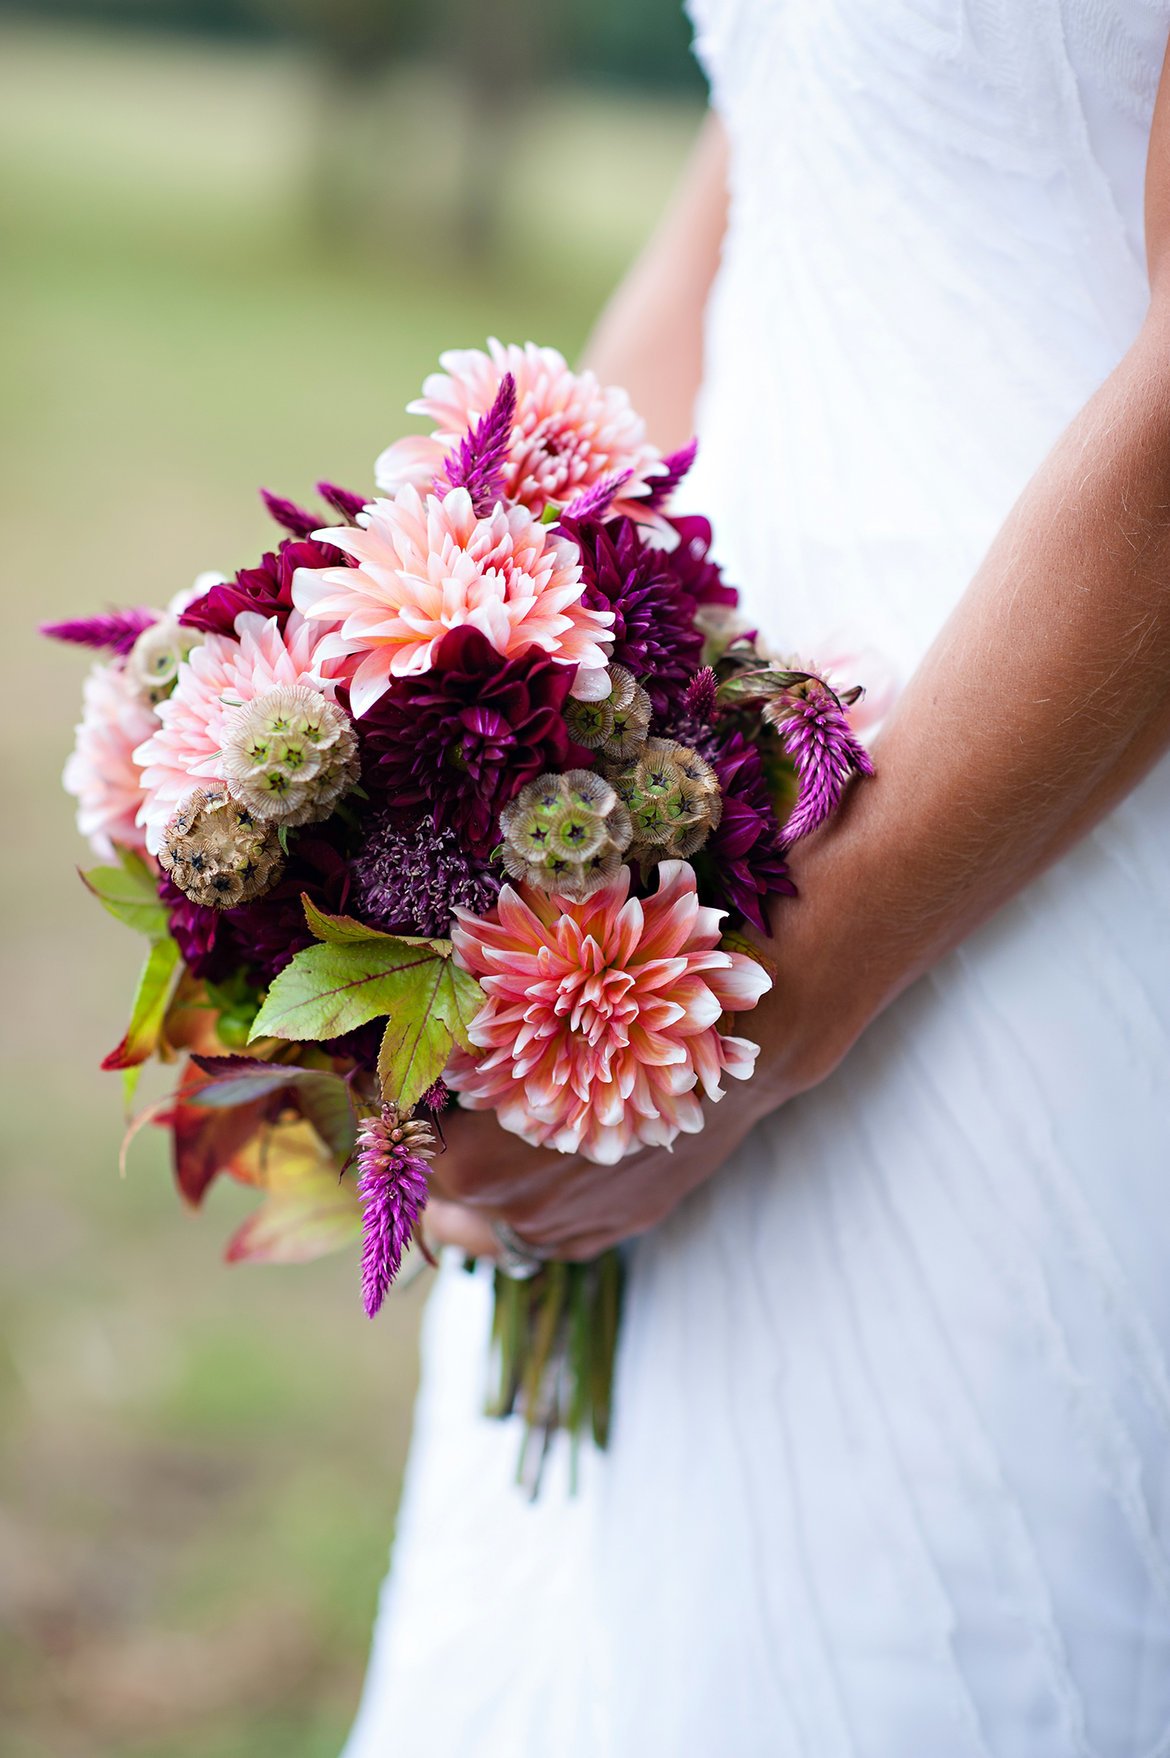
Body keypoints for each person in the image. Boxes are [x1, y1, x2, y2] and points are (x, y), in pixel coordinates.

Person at [344, 4, 1170, 1752]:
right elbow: (774, 180)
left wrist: (785, 996)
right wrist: (442, 724)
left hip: (1030, 803)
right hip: (696, 752)